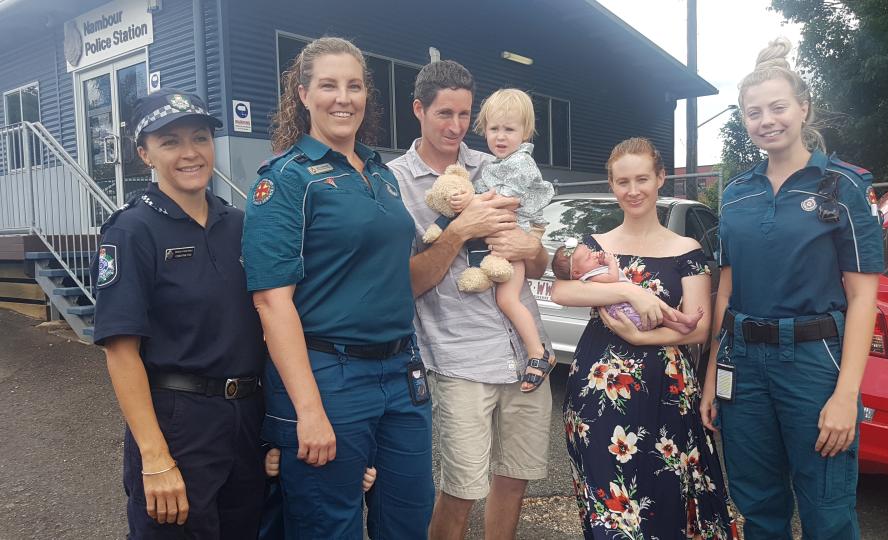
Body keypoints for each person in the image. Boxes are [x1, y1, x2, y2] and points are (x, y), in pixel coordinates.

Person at [242, 36, 432, 539]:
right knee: (330, 526)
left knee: (410, 518)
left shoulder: (381, 174)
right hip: (329, 375)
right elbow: (270, 302)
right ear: (302, 94)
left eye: (354, 86)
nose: (342, 98)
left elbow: (397, 275)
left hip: (401, 371)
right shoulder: (285, 180)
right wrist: (308, 410)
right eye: (328, 85)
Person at [699, 37, 882, 540]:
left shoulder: (844, 188)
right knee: (758, 506)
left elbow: (864, 296)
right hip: (743, 366)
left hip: (814, 362)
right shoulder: (736, 194)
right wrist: (713, 373)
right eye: (753, 112)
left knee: (827, 508)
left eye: (778, 107)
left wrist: (847, 394)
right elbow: (726, 292)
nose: (767, 120)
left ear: (803, 107)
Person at [388, 60, 554, 540]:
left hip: (527, 354)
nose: (456, 127)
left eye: (464, 115)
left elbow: (537, 264)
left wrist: (532, 249)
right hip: (459, 358)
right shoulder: (394, 183)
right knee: (461, 488)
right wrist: (459, 231)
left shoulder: (499, 165)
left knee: (514, 479)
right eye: (444, 113)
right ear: (418, 109)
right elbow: (407, 281)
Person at [92, 88, 267, 538]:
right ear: (143, 153)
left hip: (247, 416)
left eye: (200, 138)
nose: (190, 153)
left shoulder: (240, 226)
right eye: (170, 142)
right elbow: (121, 352)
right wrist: (154, 457)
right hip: (178, 421)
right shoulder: (131, 232)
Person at [551, 137, 736, 539]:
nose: (632, 191)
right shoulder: (595, 247)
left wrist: (639, 336)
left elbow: (700, 326)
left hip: (666, 392)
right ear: (611, 185)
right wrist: (629, 291)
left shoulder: (686, 249)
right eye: (622, 182)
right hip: (598, 394)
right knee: (609, 504)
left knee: (666, 494)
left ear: (660, 179)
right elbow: (562, 291)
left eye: (641, 179)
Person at [447, 88, 556, 391]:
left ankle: (538, 352)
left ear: (525, 132)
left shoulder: (521, 163)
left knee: (507, 298)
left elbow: (507, 200)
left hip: (512, 241)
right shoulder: (493, 165)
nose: (500, 136)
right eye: (494, 129)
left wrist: (470, 202)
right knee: (494, 286)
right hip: (498, 245)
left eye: (509, 129)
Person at [552, 240, 704, 333]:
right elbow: (612, 279)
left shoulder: (590, 271)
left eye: (590, 252)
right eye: (588, 257)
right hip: (629, 312)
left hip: (631, 312)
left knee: (661, 317)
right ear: (577, 272)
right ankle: (685, 319)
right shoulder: (591, 276)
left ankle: (680, 327)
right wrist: (611, 262)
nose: (593, 255)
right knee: (662, 308)